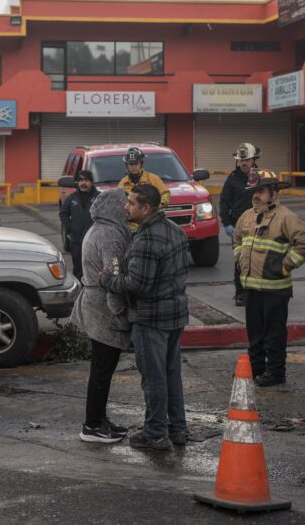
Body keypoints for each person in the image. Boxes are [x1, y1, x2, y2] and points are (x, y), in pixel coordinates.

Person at [99, 183, 190, 451]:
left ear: (146, 208)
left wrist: (107, 279)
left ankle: (155, 434)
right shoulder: (175, 230)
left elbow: (136, 284)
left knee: (153, 378)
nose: (125, 207)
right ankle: (178, 429)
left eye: (130, 203)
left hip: (151, 319)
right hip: (175, 315)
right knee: (171, 374)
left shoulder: (147, 239)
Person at [233, 169, 305, 387]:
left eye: (260, 191)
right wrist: (240, 258)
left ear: (274, 194)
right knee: (255, 333)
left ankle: (276, 373)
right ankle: (256, 368)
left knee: (274, 334)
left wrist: (284, 266)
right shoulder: (247, 216)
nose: (256, 196)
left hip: (275, 289)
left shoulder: (286, 217)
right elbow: (237, 240)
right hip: (251, 288)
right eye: (253, 191)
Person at [70, 188, 132, 443]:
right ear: (114, 207)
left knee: (102, 369)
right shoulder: (109, 235)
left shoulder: (101, 228)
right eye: (125, 203)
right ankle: (92, 425)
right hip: (103, 308)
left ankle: (99, 420)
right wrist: (120, 314)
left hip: (95, 304)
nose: (128, 208)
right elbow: (114, 276)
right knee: (102, 370)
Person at [220, 143, 260, 306]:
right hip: (238, 228)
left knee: (258, 260)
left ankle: (257, 292)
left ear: (254, 160)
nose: (244, 163)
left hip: (259, 226)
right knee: (240, 261)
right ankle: (241, 293)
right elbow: (224, 203)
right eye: (241, 160)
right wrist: (227, 224)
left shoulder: (261, 177)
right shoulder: (232, 179)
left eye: (247, 160)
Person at [59, 170, 99, 281]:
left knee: (94, 269)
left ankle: (93, 294)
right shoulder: (72, 198)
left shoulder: (99, 197)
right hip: (76, 241)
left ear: (91, 182)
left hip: (94, 241)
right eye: (81, 180)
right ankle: (78, 294)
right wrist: (70, 227)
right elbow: (63, 214)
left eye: (86, 180)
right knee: (78, 270)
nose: (83, 183)